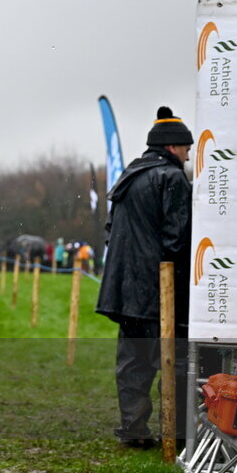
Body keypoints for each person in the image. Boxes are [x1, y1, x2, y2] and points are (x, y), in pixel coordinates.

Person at [96, 106, 192, 450]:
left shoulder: (129, 174)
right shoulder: (171, 177)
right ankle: (178, 435)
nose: (188, 154)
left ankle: (134, 429)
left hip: (124, 292)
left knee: (133, 362)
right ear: (172, 147)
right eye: (186, 148)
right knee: (173, 363)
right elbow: (177, 238)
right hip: (158, 290)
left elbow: (110, 232)